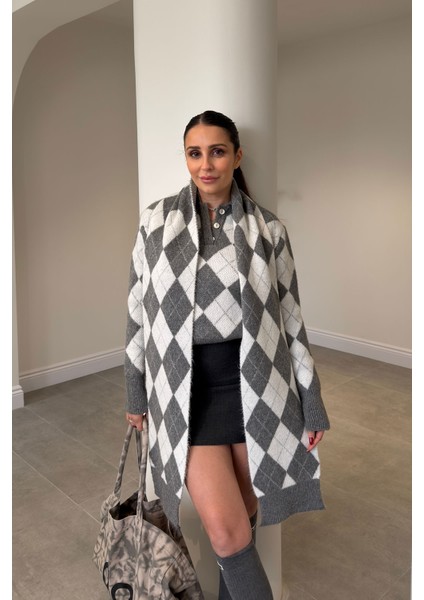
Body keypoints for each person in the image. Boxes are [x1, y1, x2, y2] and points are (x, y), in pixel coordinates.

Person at [124, 110, 330, 600]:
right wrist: (135, 392)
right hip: (186, 391)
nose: (206, 164)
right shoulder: (155, 223)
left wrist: (312, 402)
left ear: (237, 156)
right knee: (226, 533)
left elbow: (292, 321)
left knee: (244, 517)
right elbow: (137, 315)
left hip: (254, 387)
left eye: (217, 152)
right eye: (194, 153)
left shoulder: (269, 230)